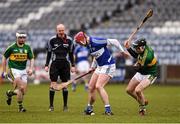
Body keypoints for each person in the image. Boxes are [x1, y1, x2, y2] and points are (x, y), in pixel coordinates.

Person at [72, 31, 126, 115]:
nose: (80, 44)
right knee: (91, 87)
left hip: (108, 65)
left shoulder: (96, 41)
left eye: (80, 42)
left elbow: (114, 41)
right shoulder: (88, 45)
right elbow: (96, 56)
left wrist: (122, 51)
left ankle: (108, 110)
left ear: (83, 40)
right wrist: (92, 67)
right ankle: (89, 108)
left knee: (99, 86)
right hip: (99, 66)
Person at [44, 24, 75, 112]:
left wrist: (73, 65)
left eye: (62, 30)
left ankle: (65, 106)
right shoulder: (51, 40)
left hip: (65, 64)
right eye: (59, 30)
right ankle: (51, 106)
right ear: (56, 31)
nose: (61, 32)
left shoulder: (69, 40)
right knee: (53, 84)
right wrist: (46, 65)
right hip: (55, 64)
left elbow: (71, 54)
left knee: (65, 85)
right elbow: (49, 53)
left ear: (64, 30)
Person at [1, 31, 34, 112]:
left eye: (23, 38)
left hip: (23, 70)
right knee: (21, 87)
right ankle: (20, 107)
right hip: (14, 69)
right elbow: (4, 57)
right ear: (17, 38)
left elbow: (32, 58)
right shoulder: (12, 47)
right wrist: (4, 71)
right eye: (20, 38)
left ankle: (10, 93)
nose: (22, 39)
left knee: (23, 91)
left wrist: (31, 68)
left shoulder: (27, 47)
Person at [124, 38, 158, 116]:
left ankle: (142, 109)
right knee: (129, 90)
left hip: (150, 74)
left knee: (138, 90)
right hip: (141, 72)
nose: (135, 49)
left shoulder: (147, 56)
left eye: (136, 48)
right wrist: (128, 47)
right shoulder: (143, 48)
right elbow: (137, 55)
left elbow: (137, 65)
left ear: (141, 47)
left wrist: (135, 66)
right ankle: (143, 100)